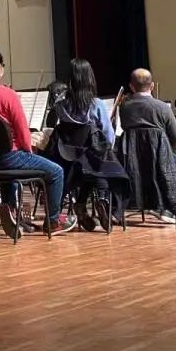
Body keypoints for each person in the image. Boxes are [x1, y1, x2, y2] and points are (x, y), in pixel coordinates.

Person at [0, 46, 74, 236]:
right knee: (56, 172)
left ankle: (10, 209)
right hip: (10, 156)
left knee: (10, 173)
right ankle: (53, 221)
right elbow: (22, 131)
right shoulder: (8, 94)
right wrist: (29, 152)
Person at [50, 58, 129, 231]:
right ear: (89, 78)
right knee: (103, 164)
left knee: (87, 166)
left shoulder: (60, 105)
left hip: (68, 159)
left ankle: (81, 204)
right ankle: (102, 199)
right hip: (93, 158)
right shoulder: (97, 104)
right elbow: (108, 136)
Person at [118, 68, 176, 223]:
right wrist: (166, 155)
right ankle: (169, 209)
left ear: (131, 86)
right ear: (152, 86)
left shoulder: (124, 107)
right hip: (160, 158)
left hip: (132, 160)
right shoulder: (162, 107)